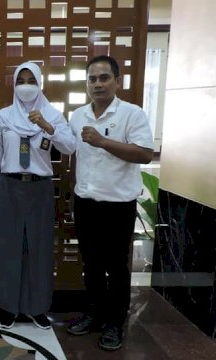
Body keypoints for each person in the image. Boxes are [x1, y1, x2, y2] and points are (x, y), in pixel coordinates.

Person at [67, 55, 154, 351]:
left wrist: (103, 142)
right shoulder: (78, 115)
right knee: (90, 264)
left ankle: (115, 323)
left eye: (104, 78)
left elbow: (144, 154)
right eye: (92, 79)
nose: (98, 84)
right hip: (86, 201)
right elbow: (75, 156)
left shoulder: (132, 114)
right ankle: (94, 314)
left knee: (116, 267)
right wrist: (72, 194)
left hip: (118, 205)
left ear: (118, 81)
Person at [0, 62, 76, 330]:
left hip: (40, 188)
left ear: (40, 83)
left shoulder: (53, 115)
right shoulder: (3, 116)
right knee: (8, 248)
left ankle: (36, 308)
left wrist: (48, 126)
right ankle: (8, 307)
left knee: (38, 248)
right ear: (15, 85)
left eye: (31, 80)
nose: (26, 85)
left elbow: (70, 146)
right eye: (21, 80)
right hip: (9, 186)